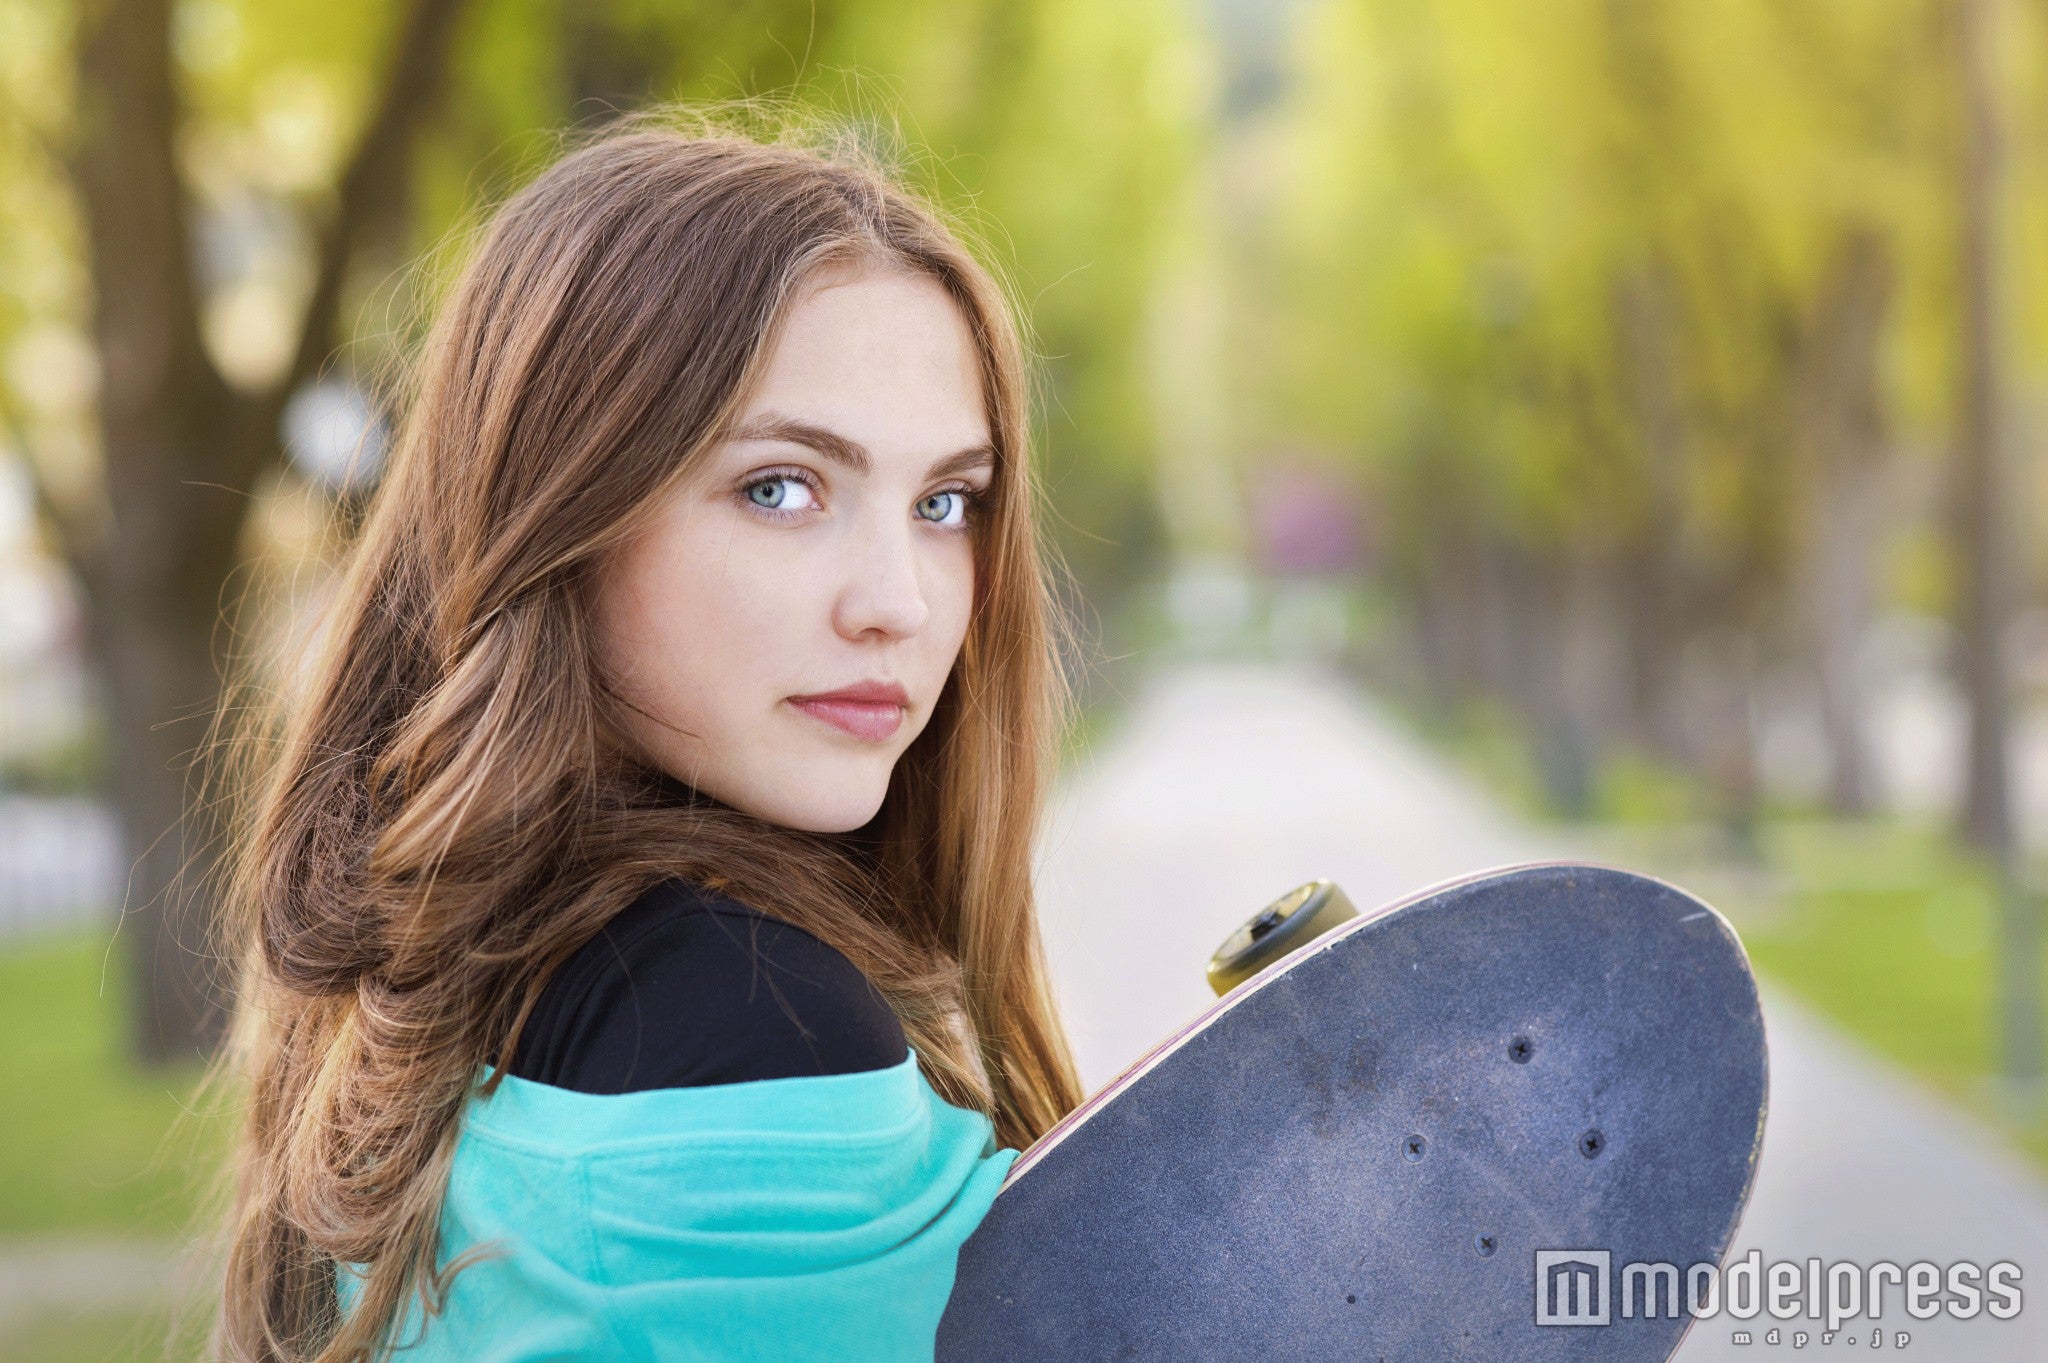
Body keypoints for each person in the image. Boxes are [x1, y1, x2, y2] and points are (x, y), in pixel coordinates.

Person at [204, 109, 1087, 1362]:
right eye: (780, 487)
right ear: (558, 510)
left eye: (946, 500)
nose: (897, 600)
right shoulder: (748, 1028)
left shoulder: (447, 973)